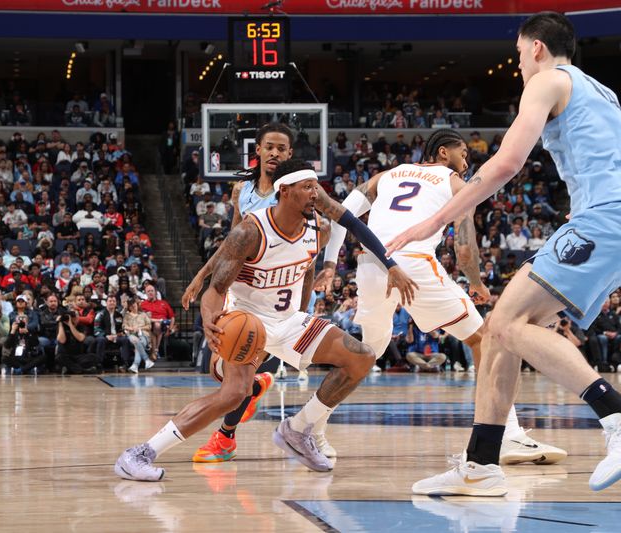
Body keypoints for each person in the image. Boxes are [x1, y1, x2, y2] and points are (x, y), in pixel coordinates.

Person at [386, 12, 621, 495]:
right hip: (608, 219)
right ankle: (481, 464)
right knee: (500, 331)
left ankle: (615, 417)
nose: (517, 64)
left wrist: (435, 219)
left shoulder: (547, 79)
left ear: (535, 47)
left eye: (517, 54)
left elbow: (508, 162)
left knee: (510, 323)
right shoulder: (604, 93)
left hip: (604, 217)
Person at [115, 159, 404, 481]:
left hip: (289, 319)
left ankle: (297, 430)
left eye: (316, 187)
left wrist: (304, 308)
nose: (316, 194)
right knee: (234, 394)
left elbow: (307, 266)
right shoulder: (250, 231)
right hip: (246, 318)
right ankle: (140, 453)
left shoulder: (318, 229)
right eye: (307, 187)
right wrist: (210, 319)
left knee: (362, 358)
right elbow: (216, 290)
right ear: (285, 191)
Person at [316, 128, 564, 463]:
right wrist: (476, 283)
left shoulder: (386, 176)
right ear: (444, 153)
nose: (467, 162)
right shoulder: (456, 184)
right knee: (487, 339)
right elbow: (463, 249)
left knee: (366, 354)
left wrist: (330, 262)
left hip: (372, 267)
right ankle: (505, 435)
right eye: (464, 154)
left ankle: (308, 424)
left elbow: (339, 215)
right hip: (413, 268)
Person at [181, 123, 417, 465]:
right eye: (269, 147)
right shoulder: (242, 190)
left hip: (289, 287)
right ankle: (251, 399)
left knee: (244, 371)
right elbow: (230, 244)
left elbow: (351, 223)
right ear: (257, 151)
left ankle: (226, 437)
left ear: (290, 155)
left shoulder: (306, 188)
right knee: (223, 371)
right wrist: (201, 278)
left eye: (282, 148)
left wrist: (389, 263)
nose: (275, 153)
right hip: (246, 288)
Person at [94, 295, 131, 370]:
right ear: (106, 303)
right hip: (105, 337)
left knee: (125, 339)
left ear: (116, 303)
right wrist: (105, 335)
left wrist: (121, 333)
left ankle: (124, 363)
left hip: (116, 337)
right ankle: (99, 364)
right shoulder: (100, 314)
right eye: (110, 301)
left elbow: (121, 328)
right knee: (101, 340)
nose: (112, 303)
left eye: (113, 301)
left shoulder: (119, 315)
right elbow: (96, 329)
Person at [122, 296, 153, 373]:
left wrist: (140, 328)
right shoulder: (127, 315)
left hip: (143, 335)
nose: (133, 306)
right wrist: (132, 328)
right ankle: (146, 360)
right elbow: (124, 326)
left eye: (134, 304)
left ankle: (135, 366)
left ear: (137, 304)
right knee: (136, 341)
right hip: (132, 334)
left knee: (140, 343)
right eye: (131, 305)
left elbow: (149, 326)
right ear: (129, 306)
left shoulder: (143, 315)